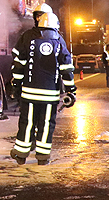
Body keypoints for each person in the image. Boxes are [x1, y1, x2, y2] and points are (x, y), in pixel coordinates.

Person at [10, 11, 75, 165]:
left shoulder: (27, 37)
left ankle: (20, 155)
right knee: (46, 124)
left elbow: (19, 64)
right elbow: (66, 68)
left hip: (30, 92)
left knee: (27, 122)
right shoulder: (59, 40)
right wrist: (71, 90)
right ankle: (43, 157)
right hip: (50, 94)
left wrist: (16, 86)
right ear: (56, 25)